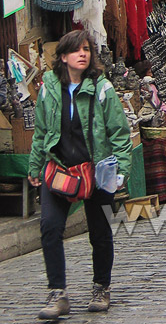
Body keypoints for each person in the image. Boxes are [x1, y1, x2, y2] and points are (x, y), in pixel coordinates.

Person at [28, 30, 132, 320]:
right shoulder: (49, 87)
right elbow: (41, 132)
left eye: (86, 49)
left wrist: (121, 170)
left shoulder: (102, 88)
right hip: (60, 168)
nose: (83, 54)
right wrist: (35, 166)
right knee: (49, 227)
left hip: (97, 171)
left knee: (99, 232)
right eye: (76, 50)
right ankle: (57, 293)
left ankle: (101, 287)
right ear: (63, 57)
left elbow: (120, 133)